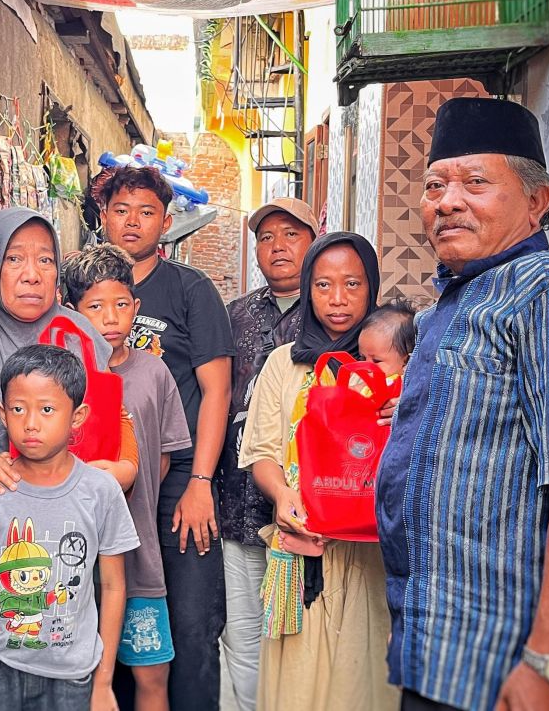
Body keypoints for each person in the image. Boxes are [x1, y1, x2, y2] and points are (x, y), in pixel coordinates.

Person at [374, 97, 549, 711]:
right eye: (435, 184)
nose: (447, 201)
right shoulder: (451, 305)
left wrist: (548, 659)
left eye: (476, 182)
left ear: (538, 201)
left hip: (505, 656)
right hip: (438, 641)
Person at [238, 232, 399, 711]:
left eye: (352, 284)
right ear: (307, 289)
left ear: (371, 288)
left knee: (361, 677)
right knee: (296, 683)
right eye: (324, 285)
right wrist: (282, 496)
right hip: (298, 546)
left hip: (369, 555)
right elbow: (261, 450)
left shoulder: (388, 365)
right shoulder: (282, 365)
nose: (338, 299)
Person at [98, 165, 234, 710]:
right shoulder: (82, 287)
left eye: (147, 211)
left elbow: (217, 391)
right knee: (120, 616)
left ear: (167, 221)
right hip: (110, 482)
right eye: (121, 210)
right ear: (103, 216)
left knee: (190, 619)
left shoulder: (189, 289)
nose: (133, 222)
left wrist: (200, 481)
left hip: (178, 481)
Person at [0, 345, 139, 711]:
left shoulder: (100, 491)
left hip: (71, 674)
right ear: (2, 414)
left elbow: (113, 586)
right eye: (18, 409)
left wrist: (104, 682)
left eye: (47, 409)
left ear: (77, 416)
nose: (31, 422)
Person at [60, 244, 193, 711]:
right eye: (95, 307)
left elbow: (160, 460)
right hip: (67, 558)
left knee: (151, 675)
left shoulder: (153, 373)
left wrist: (126, 479)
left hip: (138, 555)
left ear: (136, 307)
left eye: (121, 304)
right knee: (77, 679)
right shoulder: (60, 376)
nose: (110, 318)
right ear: (72, 310)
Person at [217, 197, 317, 711]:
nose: (277, 247)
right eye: (266, 237)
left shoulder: (332, 312)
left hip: (308, 513)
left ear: (315, 237)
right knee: (244, 633)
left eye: (290, 235)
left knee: (301, 636)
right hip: (237, 503)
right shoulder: (234, 315)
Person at [0, 208, 138, 493]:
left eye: (45, 260)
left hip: (74, 497)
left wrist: (127, 468)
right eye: (14, 259)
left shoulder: (77, 331)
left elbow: (116, 414)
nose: (32, 275)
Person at [357, 299, 416, 379]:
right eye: (362, 358)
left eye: (376, 360)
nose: (366, 367)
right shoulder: (358, 375)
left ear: (406, 362)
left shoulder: (404, 385)